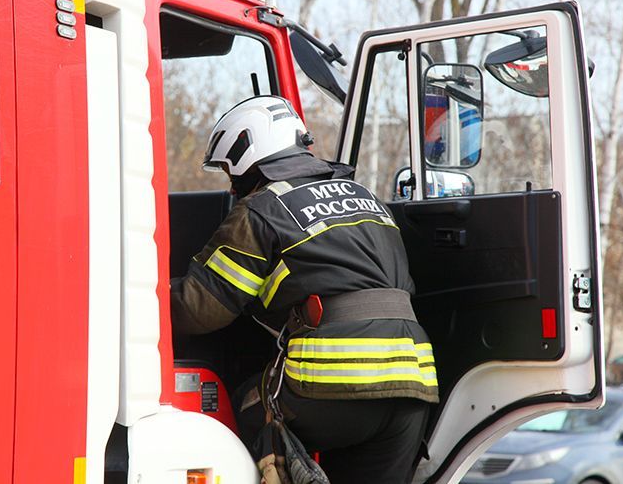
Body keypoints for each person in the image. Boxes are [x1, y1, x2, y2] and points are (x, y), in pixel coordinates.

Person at [170, 95, 438, 484]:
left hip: (333, 378)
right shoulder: (366, 197)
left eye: (231, 175)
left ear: (248, 159)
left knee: (241, 404)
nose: (231, 190)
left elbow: (200, 308)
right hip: (413, 383)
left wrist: (143, 295)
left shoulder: (262, 208)